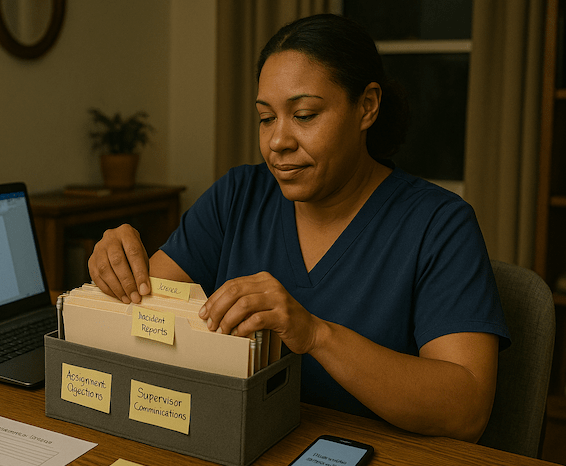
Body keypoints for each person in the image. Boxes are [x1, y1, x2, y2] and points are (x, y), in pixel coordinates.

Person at [87, 14, 510, 443]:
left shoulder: (439, 225)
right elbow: (138, 315)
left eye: (304, 114)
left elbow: (466, 410)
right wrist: (118, 267)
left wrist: (315, 334)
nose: (277, 141)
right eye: (266, 118)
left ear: (367, 107)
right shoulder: (238, 197)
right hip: (244, 448)